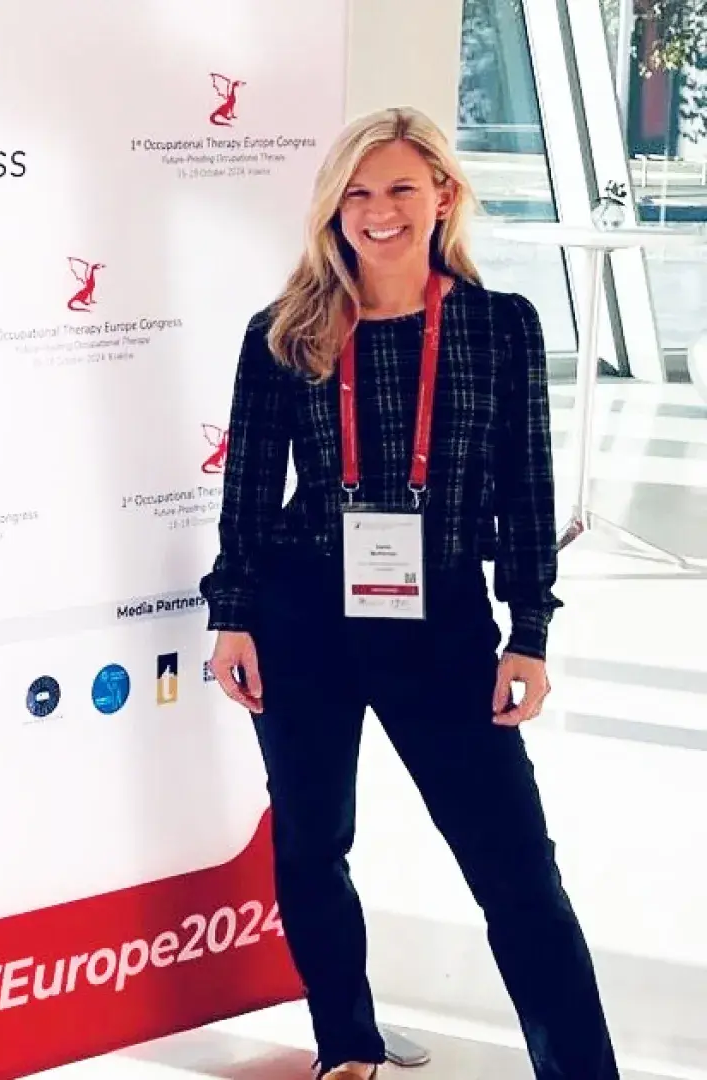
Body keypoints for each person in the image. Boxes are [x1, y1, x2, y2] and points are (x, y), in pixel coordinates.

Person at [197, 106, 620, 1079]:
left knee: (515, 869)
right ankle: (346, 1046)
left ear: (443, 195)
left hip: (440, 615)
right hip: (303, 610)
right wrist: (234, 616)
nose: (379, 211)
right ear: (332, 209)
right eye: (357, 192)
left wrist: (530, 631)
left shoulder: (498, 326)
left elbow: (525, 490)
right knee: (312, 842)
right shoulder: (284, 332)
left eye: (399, 188)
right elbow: (250, 491)